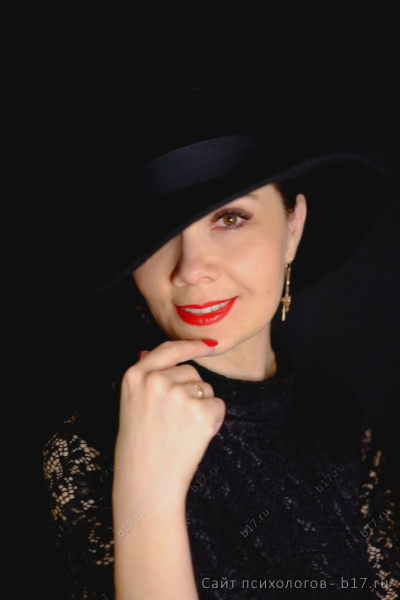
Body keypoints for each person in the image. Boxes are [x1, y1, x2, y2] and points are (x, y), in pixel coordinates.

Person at [42, 79, 400, 599]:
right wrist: (150, 488)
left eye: (230, 218)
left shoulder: (339, 418)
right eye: (158, 233)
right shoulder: (89, 447)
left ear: (293, 228)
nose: (190, 269)